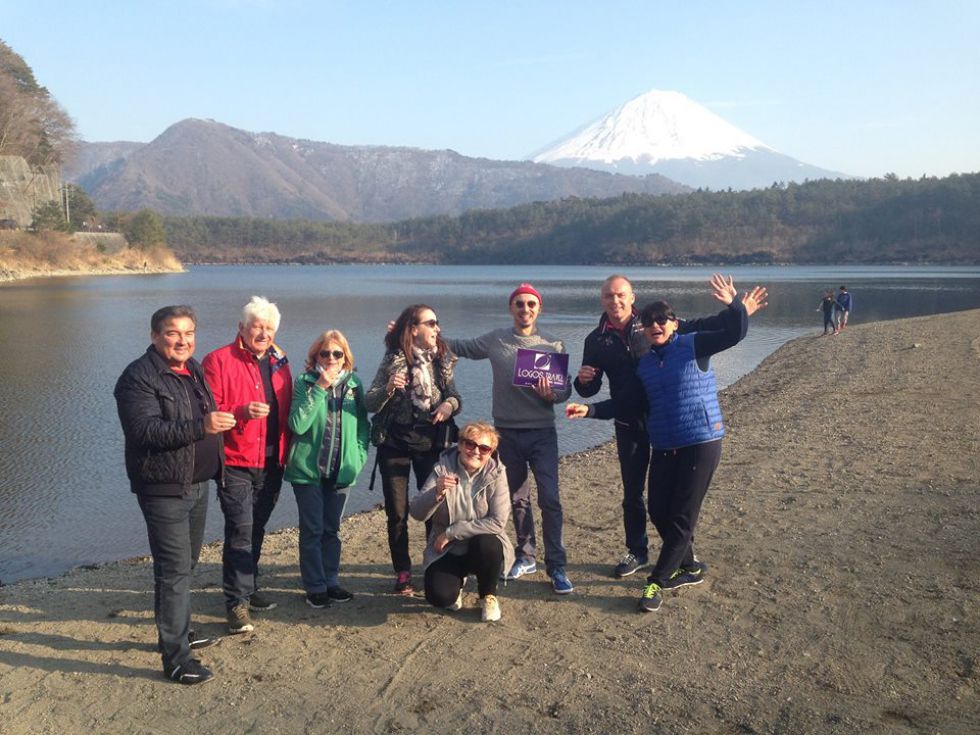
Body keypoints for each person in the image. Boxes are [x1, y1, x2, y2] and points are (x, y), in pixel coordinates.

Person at [568, 276, 754, 612]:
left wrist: (735, 305)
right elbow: (617, 398)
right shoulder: (625, 355)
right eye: (609, 295)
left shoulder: (688, 341)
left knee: (680, 513)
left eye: (621, 295)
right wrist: (588, 403)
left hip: (697, 438)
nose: (655, 326)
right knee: (651, 505)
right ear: (602, 300)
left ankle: (657, 580)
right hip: (653, 435)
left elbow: (731, 332)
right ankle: (678, 561)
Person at [114, 305, 235, 685]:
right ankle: (177, 660)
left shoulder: (193, 368)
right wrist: (202, 426)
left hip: (197, 484)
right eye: (172, 333)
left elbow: (205, 416)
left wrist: (231, 417)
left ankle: (178, 632)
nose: (182, 340)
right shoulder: (138, 377)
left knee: (186, 564)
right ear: (154, 336)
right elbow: (144, 432)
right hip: (163, 487)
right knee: (174, 571)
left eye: (188, 333)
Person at [444, 283, 574, 594]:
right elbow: (458, 346)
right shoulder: (495, 340)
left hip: (543, 433)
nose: (525, 309)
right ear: (511, 308)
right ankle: (526, 556)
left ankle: (556, 565)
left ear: (538, 309)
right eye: (519, 304)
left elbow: (565, 390)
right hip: (506, 434)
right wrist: (421, 333)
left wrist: (552, 394)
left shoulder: (553, 344)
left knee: (550, 499)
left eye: (531, 304)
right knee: (517, 499)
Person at [202, 296, 292, 635]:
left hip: (272, 461)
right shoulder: (217, 360)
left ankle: (249, 586)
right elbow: (208, 411)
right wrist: (241, 412)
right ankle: (236, 602)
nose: (264, 332)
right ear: (241, 328)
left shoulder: (280, 362)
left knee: (256, 527)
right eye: (258, 326)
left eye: (269, 328)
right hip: (236, 461)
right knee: (239, 529)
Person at [365, 304, 462, 594]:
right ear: (414, 329)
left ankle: (435, 564)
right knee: (397, 513)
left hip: (430, 446)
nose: (437, 329)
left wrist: (448, 405)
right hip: (393, 446)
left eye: (437, 323)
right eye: (431, 323)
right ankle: (403, 571)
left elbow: (456, 397)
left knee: (434, 508)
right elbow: (369, 402)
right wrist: (388, 390)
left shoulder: (441, 361)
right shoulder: (393, 359)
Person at [284, 330, 369, 608]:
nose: (331, 358)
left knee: (332, 529)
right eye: (325, 353)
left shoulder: (354, 385)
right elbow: (297, 424)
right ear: (315, 356)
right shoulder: (305, 382)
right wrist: (321, 387)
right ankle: (315, 586)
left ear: (346, 357)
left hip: (341, 471)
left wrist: (358, 457)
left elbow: (362, 427)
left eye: (337, 353)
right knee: (312, 529)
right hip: (307, 472)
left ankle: (331, 580)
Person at [409, 421, 513, 622]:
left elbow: (498, 522)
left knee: (488, 542)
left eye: (484, 448)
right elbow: (416, 513)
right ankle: (457, 583)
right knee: (440, 597)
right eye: (469, 444)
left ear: (491, 452)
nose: (475, 451)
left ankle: (488, 595)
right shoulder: (442, 469)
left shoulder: (497, 473)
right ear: (460, 444)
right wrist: (436, 493)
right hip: (448, 549)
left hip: (475, 544)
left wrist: (451, 532)